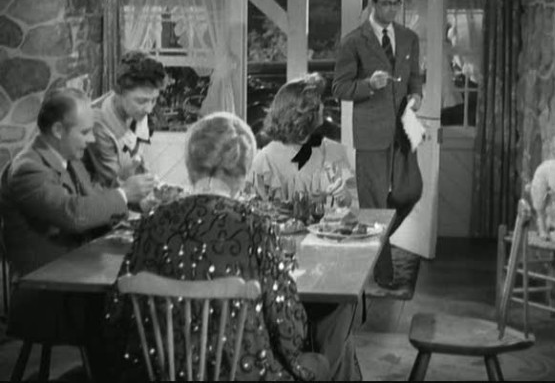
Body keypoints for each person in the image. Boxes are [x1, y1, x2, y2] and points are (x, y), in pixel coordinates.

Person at [104, 112, 330, 381]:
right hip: (242, 371)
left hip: (161, 372)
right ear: (243, 170)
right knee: (320, 362)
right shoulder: (255, 224)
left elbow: (116, 312)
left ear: (190, 163)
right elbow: (288, 328)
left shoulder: (152, 222)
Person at [0, 87, 153, 380]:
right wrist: (123, 194)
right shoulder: (28, 170)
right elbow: (74, 214)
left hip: (76, 280)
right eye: (85, 132)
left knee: (138, 298)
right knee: (131, 309)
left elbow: (94, 199)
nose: (92, 139)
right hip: (45, 297)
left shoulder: (71, 162)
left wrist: (136, 204)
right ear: (58, 130)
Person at [247, 74, 362, 381]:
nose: (321, 116)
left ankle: (326, 369)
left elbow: (351, 211)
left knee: (340, 308)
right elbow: (252, 214)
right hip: (279, 270)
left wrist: (340, 196)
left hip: (326, 263)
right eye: (315, 111)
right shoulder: (264, 159)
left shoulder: (332, 151)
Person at [332, 0, 423, 295]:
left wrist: (416, 97)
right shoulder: (354, 41)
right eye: (386, 3)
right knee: (372, 206)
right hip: (370, 133)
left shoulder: (409, 38)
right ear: (373, 3)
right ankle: (382, 273)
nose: (392, 9)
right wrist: (369, 85)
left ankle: (370, 243)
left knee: (410, 191)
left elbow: (415, 79)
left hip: (403, 129)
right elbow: (339, 87)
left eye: (396, 3)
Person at [249, 73, 352, 206]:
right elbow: (253, 210)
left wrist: (344, 196)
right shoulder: (265, 160)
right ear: (300, 113)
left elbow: (349, 207)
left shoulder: (330, 150)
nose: (322, 107)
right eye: (317, 104)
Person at [87, 50, 166, 188]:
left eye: (154, 100)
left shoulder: (136, 112)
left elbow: (136, 159)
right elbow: (111, 183)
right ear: (119, 91)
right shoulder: (97, 123)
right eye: (141, 101)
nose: (149, 109)